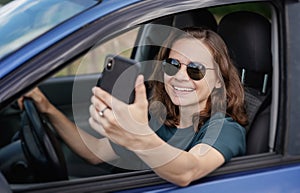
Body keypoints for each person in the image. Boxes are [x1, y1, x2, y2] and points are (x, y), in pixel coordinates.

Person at [19, 27, 248, 187]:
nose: (179, 77)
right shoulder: (158, 116)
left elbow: (188, 171)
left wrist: (137, 135)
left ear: (219, 79)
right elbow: (95, 153)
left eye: (195, 69)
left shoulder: (224, 129)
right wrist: (46, 107)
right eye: (172, 65)